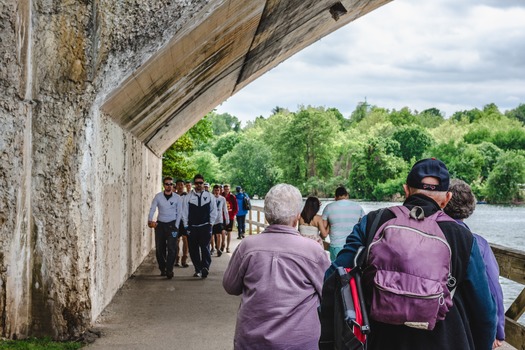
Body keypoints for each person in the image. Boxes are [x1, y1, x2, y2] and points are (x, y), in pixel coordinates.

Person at [326, 158, 496, 350]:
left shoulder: (374, 221)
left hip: (382, 340)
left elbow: (335, 276)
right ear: (447, 198)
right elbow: (484, 313)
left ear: (406, 190)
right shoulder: (463, 237)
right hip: (445, 341)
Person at [223, 184, 330, 349]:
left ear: (266, 216)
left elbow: (231, 286)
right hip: (299, 342)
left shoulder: (247, 246)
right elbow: (328, 294)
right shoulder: (313, 250)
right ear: (296, 217)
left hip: (252, 341)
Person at [444, 179, 505, 348]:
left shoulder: (431, 235)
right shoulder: (478, 243)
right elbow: (493, 287)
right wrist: (498, 330)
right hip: (468, 325)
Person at [182, 174, 217, 279]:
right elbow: (184, 212)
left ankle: (205, 267)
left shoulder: (209, 196)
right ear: (194, 184)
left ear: (203, 183)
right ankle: (198, 270)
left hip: (205, 226)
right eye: (196, 183)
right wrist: (186, 226)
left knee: (205, 247)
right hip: (192, 227)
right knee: (193, 249)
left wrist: (211, 224)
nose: (199, 185)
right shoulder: (188, 197)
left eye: (200, 183)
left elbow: (213, 211)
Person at [147, 177, 183, 279]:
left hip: (172, 226)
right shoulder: (158, 197)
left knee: (172, 248)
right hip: (160, 225)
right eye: (167, 184)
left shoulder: (177, 198)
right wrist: (150, 220)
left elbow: (179, 212)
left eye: (170, 184)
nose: (169, 186)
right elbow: (152, 208)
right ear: (164, 185)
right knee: (159, 248)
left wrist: (176, 225)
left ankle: (169, 269)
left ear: (173, 186)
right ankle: (163, 268)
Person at [322, 186, 364, 261]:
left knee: (336, 270)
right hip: (353, 244)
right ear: (347, 195)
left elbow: (323, 227)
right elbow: (363, 225)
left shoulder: (329, 207)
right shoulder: (358, 207)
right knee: (352, 269)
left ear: (335, 197)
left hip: (336, 245)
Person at [174, 179, 189, 268]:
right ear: (176, 186)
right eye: (178, 185)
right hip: (175, 221)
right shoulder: (173, 196)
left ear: (184, 186)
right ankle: (176, 259)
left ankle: (184, 259)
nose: (180, 186)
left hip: (184, 222)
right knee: (176, 239)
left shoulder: (187, 196)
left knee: (185, 239)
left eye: (182, 185)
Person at [211, 185, 229, 257]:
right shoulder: (210, 198)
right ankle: (212, 248)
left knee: (218, 235)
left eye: (218, 190)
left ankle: (218, 249)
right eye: (215, 190)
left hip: (219, 219)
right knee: (211, 235)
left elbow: (225, 209)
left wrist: (227, 219)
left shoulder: (222, 199)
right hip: (212, 219)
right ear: (213, 191)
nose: (217, 192)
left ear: (220, 191)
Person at [222, 184, 238, 253]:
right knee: (222, 231)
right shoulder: (221, 195)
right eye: (225, 189)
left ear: (229, 189)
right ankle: (222, 244)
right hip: (222, 217)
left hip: (230, 216)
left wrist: (233, 215)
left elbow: (236, 208)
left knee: (229, 232)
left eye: (228, 189)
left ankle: (228, 247)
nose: (226, 191)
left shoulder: (232, 197)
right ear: (223, 189)